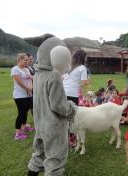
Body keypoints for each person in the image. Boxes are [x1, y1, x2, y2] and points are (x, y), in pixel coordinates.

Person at [27, 44, 77, 176]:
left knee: (39, 154)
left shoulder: (38, 74)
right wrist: (71, 108)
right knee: (55, 159)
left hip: (40, 123)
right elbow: (58, 105)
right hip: (54, 126)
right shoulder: (54, 76)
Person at [11, 53, 34, 140]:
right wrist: (28, 89)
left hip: (28, 95)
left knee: (26, 111)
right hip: (19, 95)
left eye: (27, 60)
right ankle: (17, 133)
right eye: (25, 60)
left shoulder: (26, 69)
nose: (27, 62)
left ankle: (24, 127)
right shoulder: (15, 69)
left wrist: (31, 88)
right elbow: (19, 82)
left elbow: (30, 79)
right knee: (21, 113)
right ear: (19, 60)